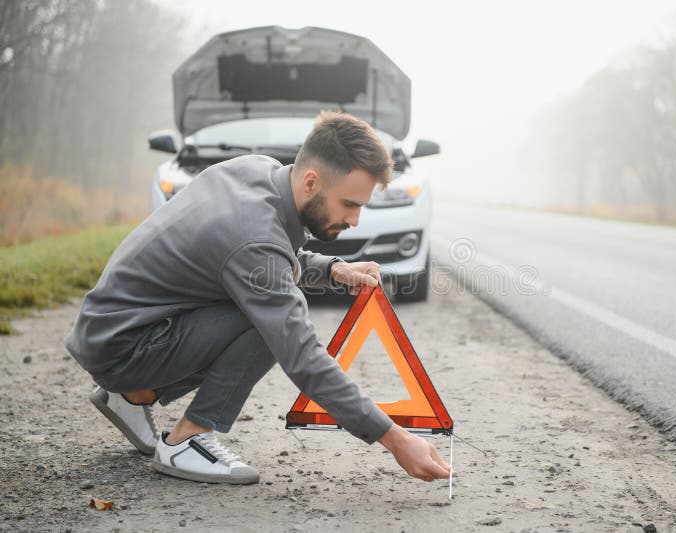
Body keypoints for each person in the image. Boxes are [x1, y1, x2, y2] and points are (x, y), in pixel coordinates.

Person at [65, 111, 450, 485]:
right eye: (349, 204)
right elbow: (302, 355)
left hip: (114, 329)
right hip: (125, 346)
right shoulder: (255, 239)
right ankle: (185, 441)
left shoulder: (258, 170)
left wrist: (333, 268)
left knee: (265, 305)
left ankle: (134, 396)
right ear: (312, 182)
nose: (355, 221)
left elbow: (257, 256)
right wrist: (395, 438)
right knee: (269, 325)